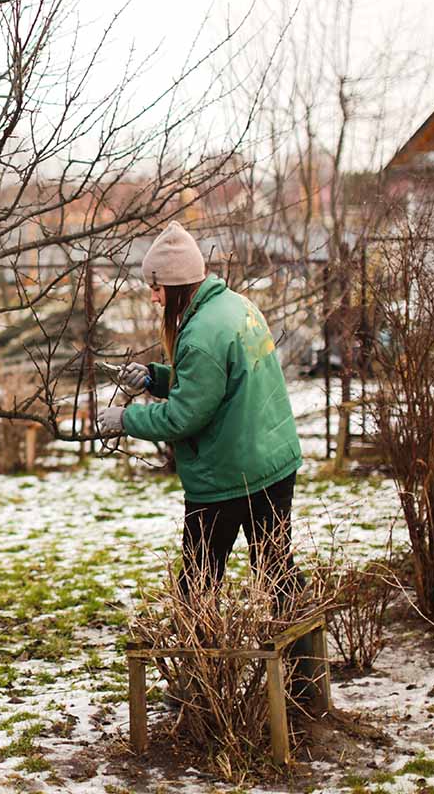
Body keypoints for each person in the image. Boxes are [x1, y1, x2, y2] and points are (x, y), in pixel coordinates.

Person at [98, 221, 304, 601]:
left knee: (199, 581)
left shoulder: (200, 334)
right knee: (276, 569)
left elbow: (184, 416)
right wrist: (154, 379)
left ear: (175, 285)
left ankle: (198, 656)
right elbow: (219, 383)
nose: (154, 299)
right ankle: (306, 656)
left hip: (227, 474)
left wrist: (124, 420)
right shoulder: (236, 306)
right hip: (271, 462)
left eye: (156, 288)